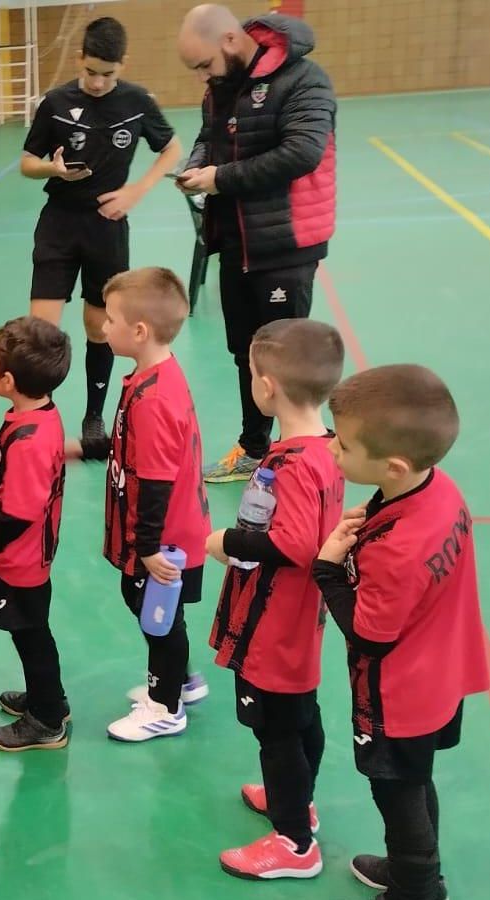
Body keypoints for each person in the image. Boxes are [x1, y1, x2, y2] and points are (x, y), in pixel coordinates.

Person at [312, 365, 488, 900]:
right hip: (441, 671)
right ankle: (417, 868)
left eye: (341, 445)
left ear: (392, 464)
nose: (330, 449)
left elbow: (369, 634)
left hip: (399, 694)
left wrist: (327, 570)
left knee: (396, 788)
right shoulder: (439, 489)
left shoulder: (400, 548)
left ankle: (418, 886)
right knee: (415, 777)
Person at [203, 319, 345, 880]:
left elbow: (292, 541)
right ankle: (298, 799)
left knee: (277, 730)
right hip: (299, 618)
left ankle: (293, 842)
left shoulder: (289, 464)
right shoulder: (327, 449)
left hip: (274, 620)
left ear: (266, 387)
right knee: (300, 713)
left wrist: (223, 542)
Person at [174, 4, 337, 484]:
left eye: (204, 64)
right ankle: (254, 446)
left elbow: (302, 152)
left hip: (285, 243)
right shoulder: (220, 89)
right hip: (236, 241)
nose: (203, 76)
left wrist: (220, 178)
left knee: (286, 357)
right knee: (245, 352)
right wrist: (198, 165)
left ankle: (302, 454)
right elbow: (209, 138)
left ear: (229, 40)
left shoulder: (305, 79)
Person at [21, 16, 184, 456]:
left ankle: (94, 416)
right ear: (80, 60)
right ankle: (42, 417)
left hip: (107, 227)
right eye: (91, 71)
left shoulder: (137, 101)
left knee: (100, 326)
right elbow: (26, 162)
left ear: (122, 66)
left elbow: (171, 147)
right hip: (58, 222)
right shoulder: (55, 102)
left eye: (107, 74)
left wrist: (137, 190)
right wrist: (50, 169)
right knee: (40, 333)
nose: (97, 82)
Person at [93, 267, 211, 743]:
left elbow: (158, 479)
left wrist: (146, 546)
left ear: (138, 332)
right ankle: (180, 680)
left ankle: (166, 705)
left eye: (111, 319)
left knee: (158, 616)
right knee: (157, 612)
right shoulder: (150, 376)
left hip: (165, 540)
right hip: (164, 532)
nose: (103, 326)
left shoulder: (154, 398)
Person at [0, 317, 73, 752]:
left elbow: (19, 512)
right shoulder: (36, 414)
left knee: (30, 636)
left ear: (7, 379)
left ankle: (47, 720)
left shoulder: (29, 440)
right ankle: (50, 698)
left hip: (20, 561)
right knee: (33, 634)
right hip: (28, 556)